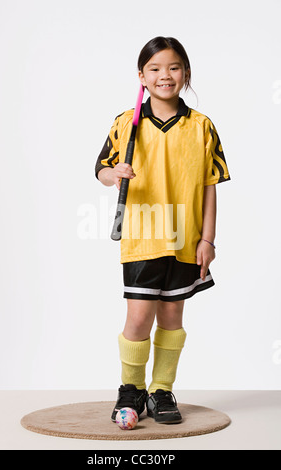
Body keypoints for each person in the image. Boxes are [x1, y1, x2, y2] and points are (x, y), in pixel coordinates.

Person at [95, 36, 231, 424]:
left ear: (185, 73)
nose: (164, 75)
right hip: (141, 237)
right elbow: (100, 169)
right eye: (154, 69)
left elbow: (209, 186)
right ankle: (131, 390)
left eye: (173, 67)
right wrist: (113, 173)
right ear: (141, 76)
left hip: (185, 239)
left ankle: (162, 390)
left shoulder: (202, 127)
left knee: (172, 317)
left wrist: (208, 239)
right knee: (138, 318)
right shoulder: (126, 123)